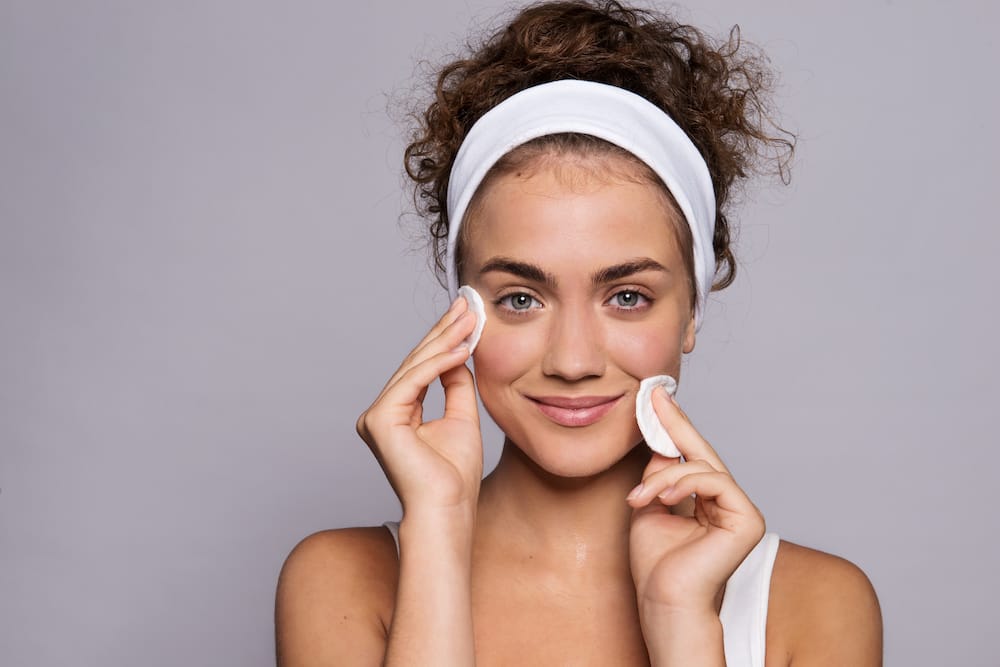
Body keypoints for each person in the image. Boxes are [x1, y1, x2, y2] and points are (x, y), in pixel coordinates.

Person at [274, 1, 883, 664]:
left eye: (626, 296)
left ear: (692, 314)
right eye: (521, 298)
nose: (572, 359)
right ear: (462, 311)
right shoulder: (340, 582)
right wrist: (438, 537)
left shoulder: (817, 605)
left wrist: (683, 626)